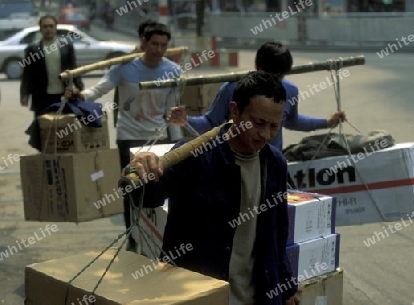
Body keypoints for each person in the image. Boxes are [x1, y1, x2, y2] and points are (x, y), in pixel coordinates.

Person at [128, 71, 300, 305]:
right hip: (198, 295)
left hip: (255, 296)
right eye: (259, 123)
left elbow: (278, 233)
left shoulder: (275, 164)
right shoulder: (195, 155)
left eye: (274, 126)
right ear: (234, 110)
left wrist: (287, 288)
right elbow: (149, 198)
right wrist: (139, 169)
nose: (266, 134)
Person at [66, 22, 183, 252]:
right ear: (144, 41)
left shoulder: (173, 70)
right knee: (131, 190)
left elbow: (172, 110)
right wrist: (80, 94)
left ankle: (158, 239)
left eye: (163, 45)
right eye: (154, 44)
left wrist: (177, 144)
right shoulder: (124, 67)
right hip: (129, 138)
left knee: (159, 192)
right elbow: (98, 89)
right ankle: (133, 237)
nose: (159, 50)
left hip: (159, 139)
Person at [167, 41, 347, 152]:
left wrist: (327, 123)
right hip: (234, 163)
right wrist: (186, 121)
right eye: (270, 75)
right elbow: (211, 123)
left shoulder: (289, 91)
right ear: (257, 67)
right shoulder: (232, 90)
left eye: (280, 76)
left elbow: (291, 121)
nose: (274, 82)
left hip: (270, 163)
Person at [20, 15, 84, 118]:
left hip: (64, 95)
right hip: (41, 96)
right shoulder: (33, 49)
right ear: (40, 29)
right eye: (45, 27)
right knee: (42, 129)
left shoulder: (66, 46)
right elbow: (27, 74)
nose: (48, 29)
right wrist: (24, 94)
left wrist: (79, 88)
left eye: (51, 26)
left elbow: (74, 69)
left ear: (55, 28)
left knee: (64, 128)